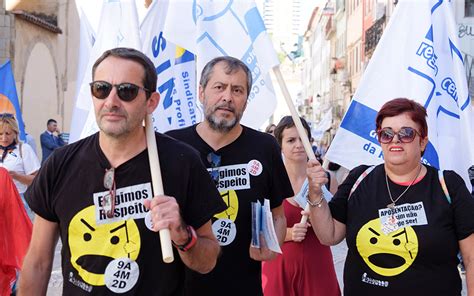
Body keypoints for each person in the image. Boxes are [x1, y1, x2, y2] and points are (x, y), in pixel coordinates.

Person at [19, 47, 226, 295]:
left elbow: (208, 261)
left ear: (151, 102)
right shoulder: (60, 164)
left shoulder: (182, 162)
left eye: (126, 91)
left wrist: (183, 235)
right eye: (101, 89)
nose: (111, 101)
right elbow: (39, 262)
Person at [306, 98, 474, 295]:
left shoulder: (447, 186)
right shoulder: (358, 179)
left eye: (406, 133)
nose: (395, 140)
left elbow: (471, 258)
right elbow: (329, 235)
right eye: (386, 134)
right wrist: (315, 192)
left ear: (423, 142)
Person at [167, 56, 292, 295]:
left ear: (246, 100)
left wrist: (272, 247)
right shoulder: (172, 144)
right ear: (201, 93)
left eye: (237, 90)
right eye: (219, 87)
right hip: (181, 288)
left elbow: (278, 216)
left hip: (243, 287)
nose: (227, 97)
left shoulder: (265, 146)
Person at [262, 115, 340, 296]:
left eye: (302, 139)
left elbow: (337, 226)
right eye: (291, 140)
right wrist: (287, 234)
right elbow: (255, 231)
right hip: (279, 267)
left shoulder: (327, 180)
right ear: (280, 144)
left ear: (310, 141)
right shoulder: (268, 182)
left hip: (318, 266)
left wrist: (321, 216)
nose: (298, 145)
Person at [0, 113, 40, 218]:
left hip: (18, 201)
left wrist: (16, 176)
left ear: (15, 133)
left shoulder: (24, 149)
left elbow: (36, 180)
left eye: (8, 133)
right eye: (0, 134)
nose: (4, 138)